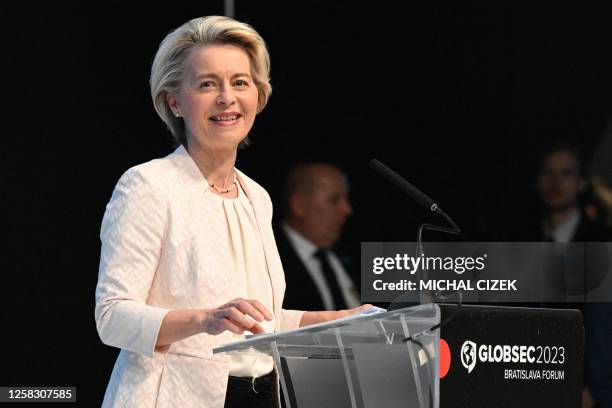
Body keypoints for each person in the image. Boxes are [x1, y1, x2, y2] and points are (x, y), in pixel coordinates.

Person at [94, 16, 369, 408]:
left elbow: (256, 323)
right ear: (175, 101)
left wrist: (339, 319)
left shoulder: (256, 196)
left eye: (240, 82)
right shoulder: (148, 186)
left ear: (257, 96)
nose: (226, 97)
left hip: (259, 395)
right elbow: (112, 317)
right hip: (173, 397)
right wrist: (205, 319)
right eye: (207, 84)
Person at [275, 162, 360, 311]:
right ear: (299, 205)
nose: (346, 209)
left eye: (346, 200)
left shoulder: (350, 253)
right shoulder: (270, 257)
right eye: (334, 200)